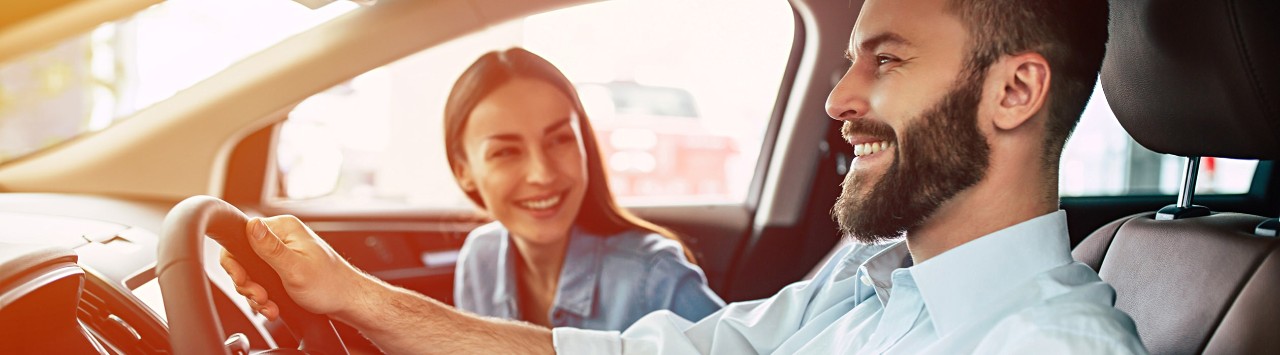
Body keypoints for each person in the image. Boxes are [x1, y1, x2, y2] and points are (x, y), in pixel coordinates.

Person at [219, 0, 1148, 353]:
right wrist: (353, 295)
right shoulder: (858, 290)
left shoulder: (1051, 343)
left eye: (887, 61)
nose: (839, 99)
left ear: (1016, 90)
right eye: (851, 59)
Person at [442, 48, 723, 329]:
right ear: (463, 171)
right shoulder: (479, 258)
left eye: (560, 140)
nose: (542, 174)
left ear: (583, 144)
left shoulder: (655, 276)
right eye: (506, 152)